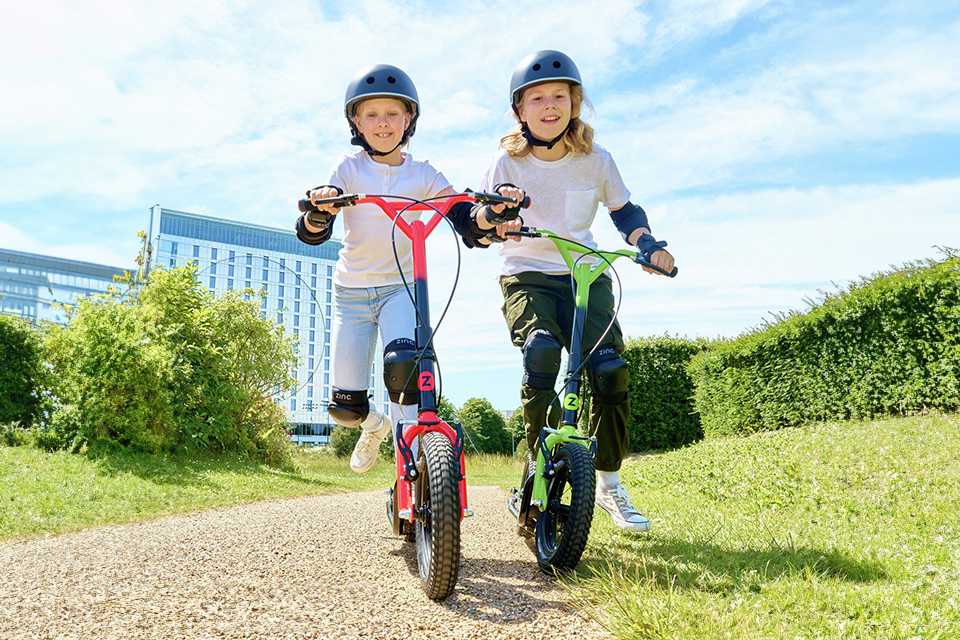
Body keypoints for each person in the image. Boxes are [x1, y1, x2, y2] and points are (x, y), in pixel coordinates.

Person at [453, 50, 676, 531]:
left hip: (586, 275)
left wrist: (649, 245)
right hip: (527, 274)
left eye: (560, 96)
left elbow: (624, 213)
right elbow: (479, 224)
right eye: (537, 99)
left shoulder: (596, 160)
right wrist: (497, 221)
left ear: (575, 103)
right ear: (520, 110)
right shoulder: (505, 162)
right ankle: (537, 466)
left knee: (610, 371)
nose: (549, 106)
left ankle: (610, 484)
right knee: (542, 353)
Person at [296, 64, 514, 474]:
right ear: (356, 122)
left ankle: (412, 472)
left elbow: (464, 215)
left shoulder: (423, 175)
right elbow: (316, 225)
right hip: (353, 293)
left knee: (404, 371)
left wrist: (488, 217)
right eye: (372, 115)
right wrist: (319, 210)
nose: (383, 124)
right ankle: (373, 425)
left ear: (409, 118)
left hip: (401, 289)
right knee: (346, 407)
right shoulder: (348, 169)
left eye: (393, 114)